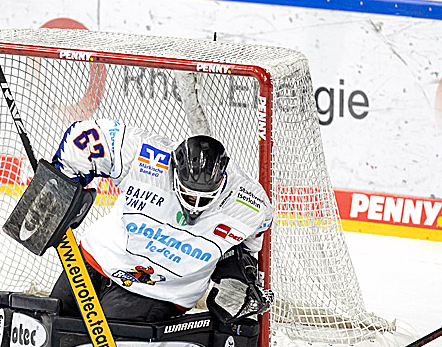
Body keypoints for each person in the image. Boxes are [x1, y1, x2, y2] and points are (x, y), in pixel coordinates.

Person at [48, 119, 274, 327]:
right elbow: (87, 136)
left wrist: (236, 277)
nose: (194, 204)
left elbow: (246, 249)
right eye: (188, 194)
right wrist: (60, 183)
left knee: (91, 344)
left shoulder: (250, 204)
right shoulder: (145, 157)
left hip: (160, 291)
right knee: (50, 326)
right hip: (98, 258)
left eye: (204, 198)